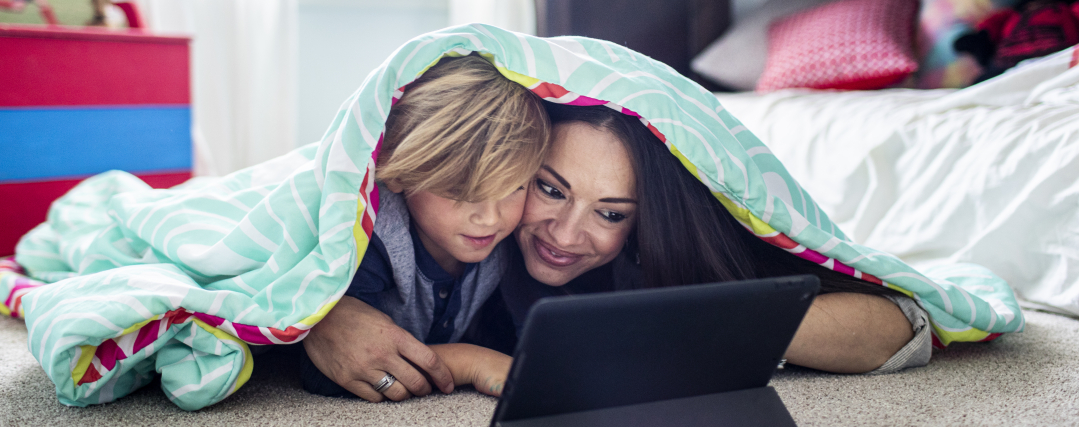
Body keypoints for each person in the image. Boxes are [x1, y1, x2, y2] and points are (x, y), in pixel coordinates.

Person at [303, 103, 931, 402]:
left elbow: (896, 328)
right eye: (549, 189)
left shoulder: (661, 254)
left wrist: (694, 321)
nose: (565, 235)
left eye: (610, 214)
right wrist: (321, 317)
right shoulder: (475, 236)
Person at [297, 54, 551, 403]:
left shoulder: (508, 241)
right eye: (462, 190)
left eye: (514, 187)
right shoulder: (374, 235)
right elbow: (332, 366)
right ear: (399, 171)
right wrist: (471, 362)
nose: (491, 218)